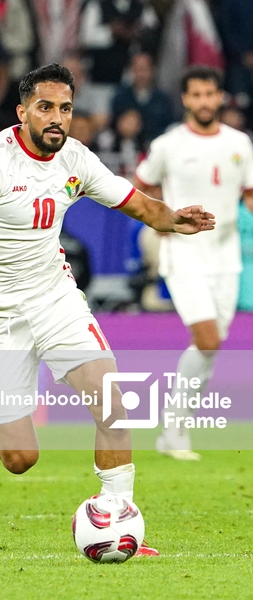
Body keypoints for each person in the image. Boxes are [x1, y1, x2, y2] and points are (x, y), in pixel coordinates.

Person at [0, 64, 216, 557]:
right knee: (20, 458)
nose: (57, 118)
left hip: (53, 296)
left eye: (65, 108)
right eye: (46, 107)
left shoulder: (75, 159)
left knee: (112, 400)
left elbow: (136, 203)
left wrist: (174, 219)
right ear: (23, 112)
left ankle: (117, 513)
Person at [134, 66, 253, 461]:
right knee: (206, 339)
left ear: (220, 98)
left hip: (227, 256)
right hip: (184, 255)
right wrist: (162, 221)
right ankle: (175, 428)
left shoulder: (240, 143)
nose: (204, 101)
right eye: (196, 94)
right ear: (185, 99)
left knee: (210, 347)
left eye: (210, 94)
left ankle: (174, 429)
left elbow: (249, 195)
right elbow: (141, 186)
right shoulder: (169, 144)